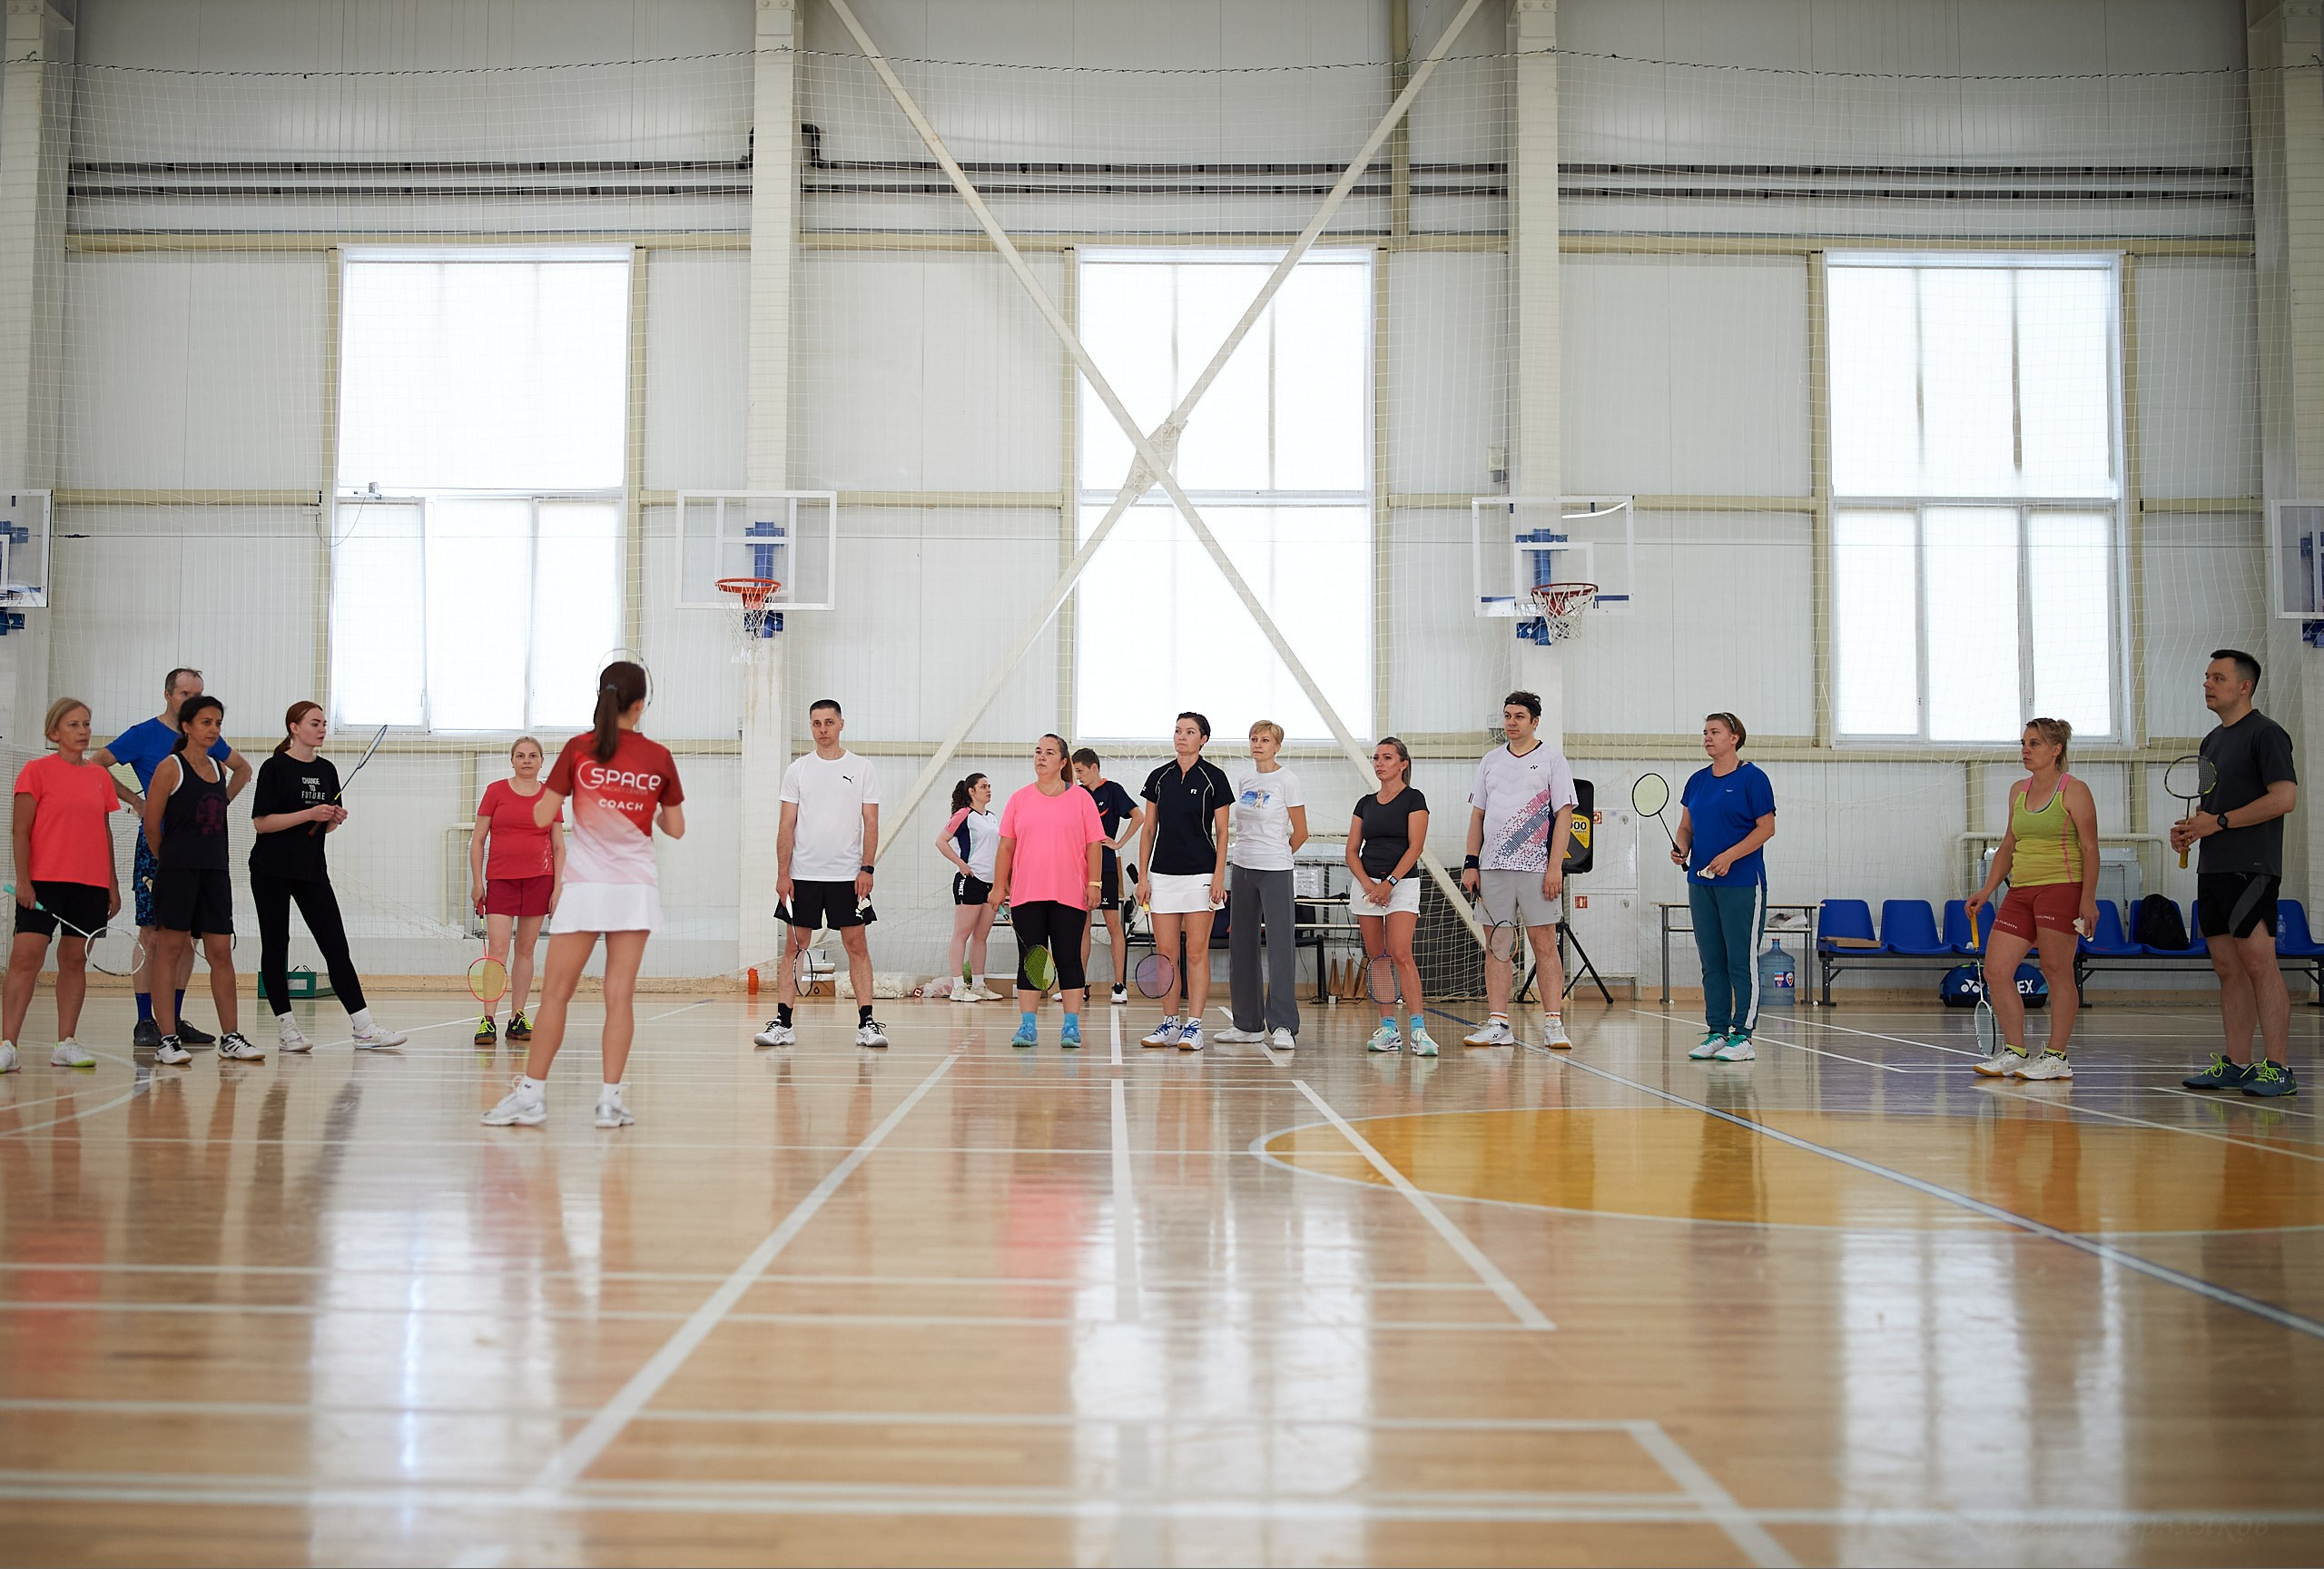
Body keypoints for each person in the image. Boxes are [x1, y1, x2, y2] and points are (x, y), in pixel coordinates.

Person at [483, 661, 684, 1130]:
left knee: (555, 995)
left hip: (585, 887)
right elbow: (674, 828)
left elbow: (540, 818)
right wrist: (642, 805)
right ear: (641, 704)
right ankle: (610, 1102)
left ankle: (531, 1096)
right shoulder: (657, 756)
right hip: (634, 890)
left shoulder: (577, 750)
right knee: (620, 996)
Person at [90, 667, 251, 1050]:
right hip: (161, 846)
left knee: (192, 940)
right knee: (154, 932)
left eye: (198, 692)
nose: (191, 699)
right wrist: (135, 801)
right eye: (184, 693)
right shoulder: (145, 735)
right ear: (168, 696)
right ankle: (146, 1020)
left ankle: (173, 1019)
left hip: (202, 852)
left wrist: (217, 802)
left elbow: (243, 769)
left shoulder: (207, 740)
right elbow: (95, 764)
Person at [2173, 649, 2300, 1099]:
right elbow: (2211, 807)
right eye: (2206, 676)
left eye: (2218, 677)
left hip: (2253, 867)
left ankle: (2279, 1069)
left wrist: (2220, 822)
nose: (2207, 684)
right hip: (2214, 869)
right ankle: (2238, 1064)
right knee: (2228, 967)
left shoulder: (2267, 735)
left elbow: (2283, 798)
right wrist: (2192, 830)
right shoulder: (2211, 741)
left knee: (2258, 963)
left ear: (2243, 686)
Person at [248, 702, 408, 1053]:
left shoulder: (327, 769)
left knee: (335, 945)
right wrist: (310, 813)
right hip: (270, 869)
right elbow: (262, 823)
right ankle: (287, 1029)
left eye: (323, 723)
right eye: (314, 723)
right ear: (294, 727)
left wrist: (333, 818)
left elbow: (324, 828)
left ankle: (364, 1028)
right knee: (276, 945)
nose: (322, 729)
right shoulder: (274, 768)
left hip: (310, 871)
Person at [1962, 719, 2098, 1082]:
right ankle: (2015, 1051)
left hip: (2062, 888)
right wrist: (1987, 890)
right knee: (1996, 970)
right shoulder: (2018, 791)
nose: (2025, 749)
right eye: (2024, 743)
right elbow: (2009, 845)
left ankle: (2056, 1057)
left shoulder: (2075, 790)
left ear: (2056, 750)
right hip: (2020, 891)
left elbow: (2089, 848)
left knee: (2056, 971)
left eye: (2034, 743)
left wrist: (2089, 900)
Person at [756, 699, 886, 1050]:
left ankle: (867, 1024)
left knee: (856, 945)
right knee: (795, 947)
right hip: (803, 878)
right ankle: (782, 1024)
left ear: (841, 724)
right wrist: (784, 874)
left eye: (829, 722)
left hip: (849, 877)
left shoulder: (862, 768)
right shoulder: (797, 770)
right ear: (811, 726)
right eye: (816, 723)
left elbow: (870, 822)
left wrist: (867, 868)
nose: (823, 728)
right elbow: (787, 824)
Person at [2, 699, 122, 1071]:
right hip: (43, 882)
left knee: (74, 961)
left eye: (86, 724)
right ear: (54, 733)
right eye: (74, 725)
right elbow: (20, 830)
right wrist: (24, 880)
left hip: (89, 884)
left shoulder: (100, 777)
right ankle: (8, 1044)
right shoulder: (35, 772)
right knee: (26, 958)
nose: (83, 731)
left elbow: (103, 831)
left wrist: (112, 885)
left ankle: (66, 1043)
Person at [141, 695, 261, 1064]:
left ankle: (231, 1037)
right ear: (187, 727)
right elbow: (151, 824)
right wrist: (171, 861)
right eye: (206, 722)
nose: (213, 729)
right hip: (177, 873)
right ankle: (167, 1039)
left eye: (218, 723)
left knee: (221, 952)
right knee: (170, 951)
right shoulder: (169, 768)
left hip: (215, 872)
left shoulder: (218, 769)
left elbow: (226, 795)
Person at [1459, 691, 1578, 1050]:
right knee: (1497, 946)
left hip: (1537, 869)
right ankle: (1498, 1023)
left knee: (1544, 943)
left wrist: (1554, 865)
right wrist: (1471, 861)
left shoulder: (1552, 760)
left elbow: (1564, 815)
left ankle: (1553, 1022)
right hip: (1493, 867)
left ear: (1534, 721)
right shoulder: (1490, 761)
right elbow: (1478, 814)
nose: (1511, 722)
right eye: (1507, 716)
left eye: (1519, 716)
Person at [988, 735, 1107, 1050]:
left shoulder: (1082, 799)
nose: (1041, 757)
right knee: (1032, 960)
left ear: (1063, 762)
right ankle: (1027, 1026)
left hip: (1071, 893)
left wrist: (1095, 884)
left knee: (1069, 958)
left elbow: (1094, 844)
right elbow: (1006, 846)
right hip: (1027, 894)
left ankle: (1071, 1026)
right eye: (1038, 751)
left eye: (1049, 752)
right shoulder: (1019, 799)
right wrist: (999, 885)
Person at [1673, 713, 1777, 1063]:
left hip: (1742, 883)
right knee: (1712, 961)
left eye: (1715, 732)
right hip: (1701, 882)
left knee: (1740, 962)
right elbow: (1686, 827)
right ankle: (1717, 1032)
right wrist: (1682, 848)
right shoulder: (1697, 781)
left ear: (1734, 738)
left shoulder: (1753, 779)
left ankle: (1743, 1036)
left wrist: (1730, 856)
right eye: (1704, 732)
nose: (1707, 738)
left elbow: (1766, 829)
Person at [1137, 712, 1233, 1052]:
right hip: (1162, 876)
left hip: (1201, 875)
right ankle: (1170, 1023)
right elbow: (1149, 829)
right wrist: (1143, 876)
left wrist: (1219, 875)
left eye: (1190, 732)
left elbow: (1222, 832)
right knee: (1166, 954)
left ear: (1203, 739)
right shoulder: (1158, 777)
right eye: (1178, 730)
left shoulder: (1214, 779)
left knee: (1195, 952)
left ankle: (1194, 1026)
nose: (1181, 736)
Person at [1217, 720, 1307, 1049]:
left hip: (1276, 868)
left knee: (1280, 945)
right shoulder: (1244, 779)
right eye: (1254, 738)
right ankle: (1247, 1024)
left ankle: (1283, 1025)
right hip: (1242, 866)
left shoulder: (1288, 780)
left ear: (1277, 746)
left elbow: (1301, 831)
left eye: (1265, 740)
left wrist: (1279, 854)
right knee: (1241, 944)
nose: (1258, 744)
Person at [469, 736, 565, 1045]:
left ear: (541, 761)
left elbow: (559, 846)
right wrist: (477, 882)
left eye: (533, 756)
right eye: (521, 755)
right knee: (498, 950)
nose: (527, 760)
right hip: (500, 880)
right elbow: (478, 840)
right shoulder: (495, 791)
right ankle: (487, 1021)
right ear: (512, 760)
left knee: (526, 950)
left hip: (540, 880)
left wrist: (557, 888)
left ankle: (518, 1018)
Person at [1348, 738, 1434, 1055]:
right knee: (1379, 957)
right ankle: (1388, 1030)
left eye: (1387, 757)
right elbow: (1351, 851)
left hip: (1402, 885)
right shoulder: (1365, 803)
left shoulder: (1414, 799)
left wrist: (1389, 883)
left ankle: (1418, 1030)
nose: (1379, 763)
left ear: (1403, 764)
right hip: (1368, 887)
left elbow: (1416, 846)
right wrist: (1370, 886)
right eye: (1376, 758)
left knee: (1400, 952)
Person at [1071, 748, 1142, 1005]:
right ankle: (1077, 985)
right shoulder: (1076, 794)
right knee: (1082, 927)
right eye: (1075, 771)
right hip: (1080, 867)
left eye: (1080, 770)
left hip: (1107, 867)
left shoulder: (1113, 790)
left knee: (1114, 925)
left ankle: (1119, 985)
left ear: (1094, 768)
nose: (1077, 776)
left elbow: (1139, 816)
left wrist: (1119, 843)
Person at [936, 773, 1001, 1002]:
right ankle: (958, 988)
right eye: (983, 786)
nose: (988, 789)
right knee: (961, 934)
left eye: (989, 785)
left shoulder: (992, 817)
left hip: (990, 884)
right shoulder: (964, 814)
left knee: (981, 936)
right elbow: (941, 841)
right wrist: (961, 864)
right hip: (969, 881)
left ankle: (979, 986)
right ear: (971, 791)